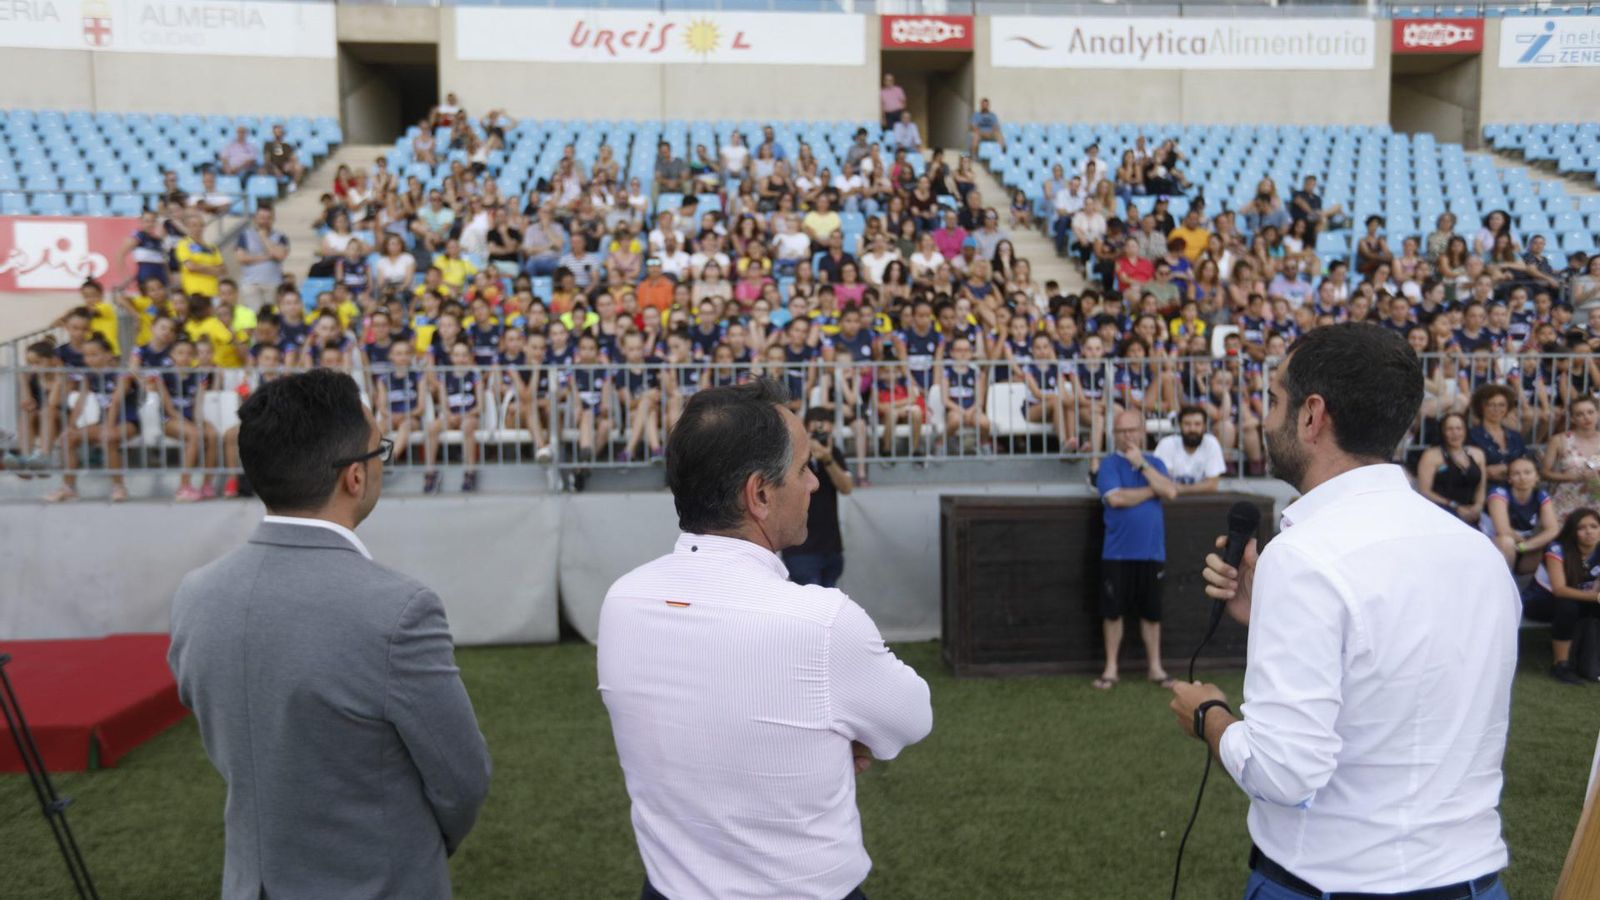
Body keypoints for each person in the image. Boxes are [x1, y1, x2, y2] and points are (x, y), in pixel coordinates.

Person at [1177, 324, 1516, 899]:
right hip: (1473, 881)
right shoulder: (1478, 551)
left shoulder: (1305, 555)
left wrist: (1208, 714)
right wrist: (1271, 619)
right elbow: (1401, 672)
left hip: (1333, 884)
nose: (1266, 418)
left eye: (1276, 400)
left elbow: (1284, 773)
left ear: (1311, 416)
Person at [598, 378, 931, 900]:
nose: (814, 483)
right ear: (759, 494)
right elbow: (913, 716)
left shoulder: (622, 600)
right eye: (802, 469)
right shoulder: (820, 622)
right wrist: (836, 734)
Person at [168, 369, 492, 900]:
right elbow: (463, 778)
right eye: (379, 450)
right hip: (375, 882)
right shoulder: (398, 609)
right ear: (354, 478)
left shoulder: (195, 593)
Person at [1094, 408, 1179, 692]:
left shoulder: (1154, 462)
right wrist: (1151, 489)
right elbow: (1115, 498)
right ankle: (1111, 668)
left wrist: (1143, 466)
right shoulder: (1108, 465)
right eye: (1122, 431)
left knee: (1152, 613)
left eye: (1132, 429)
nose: (1128, 435)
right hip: (1117, 552)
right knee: (1113, 612)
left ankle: (1155, 668)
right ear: (1114, 435)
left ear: (1142, 431)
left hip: (1152, 552)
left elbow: (1170, 492)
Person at [1522, 507, 1600, 684]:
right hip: (1540, 601)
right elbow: (1560, 590)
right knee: (1567, 605)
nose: (1589, 532)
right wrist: (1597, 597)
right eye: (1582, 528)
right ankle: (1560, 665)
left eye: (1594, 526)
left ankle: (1589, 663)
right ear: (1573, 532)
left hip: (1579, 598)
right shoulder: (1557, 549)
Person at [780, 405, 855, 587]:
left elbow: (847, 488)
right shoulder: (790, 455)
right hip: (801, 550)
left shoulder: (833, 453)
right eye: (815, 434)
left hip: (831, 548)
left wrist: (827, 460)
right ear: (804, 430)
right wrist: (806, 454)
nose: (820, 439)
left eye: (825, 435)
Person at [1483, 456, 1558, 572]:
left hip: (1522, 544)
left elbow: (1553, 529)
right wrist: (1524, 543)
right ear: (1509, 479)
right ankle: (1505, 581)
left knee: (1550, 544)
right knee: (1506, 541)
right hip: (1492, 542)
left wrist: (1526, 546)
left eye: (1527, 472)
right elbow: (1503, 530)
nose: (1522, 477)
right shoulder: (1499, 493)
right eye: (1516, 474)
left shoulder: (1541, 495)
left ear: (1537, 476)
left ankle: (1534, 587)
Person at [1415, 411, 1486, 525]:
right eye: (1450, 429)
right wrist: (1454, 506)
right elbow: (1424, 491)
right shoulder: (1431, 455)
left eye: (1459, 428)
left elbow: (1481, 487)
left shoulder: (1478, 454)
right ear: (1442, 432)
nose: (1455, 433)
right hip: (1441, 512)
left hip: (1472, 513)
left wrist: (1478, 506)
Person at [1152, 405, 1225, 493]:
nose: (1192, 429)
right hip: (1170, 502)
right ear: (1180, 425)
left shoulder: (1211, 443)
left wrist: (1180, 488)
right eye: (1187, 424)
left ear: (1204, 426)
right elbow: (1161, 482)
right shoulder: (1167, 444)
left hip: (1202, 502)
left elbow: (1212, 485)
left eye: (1197, 424)